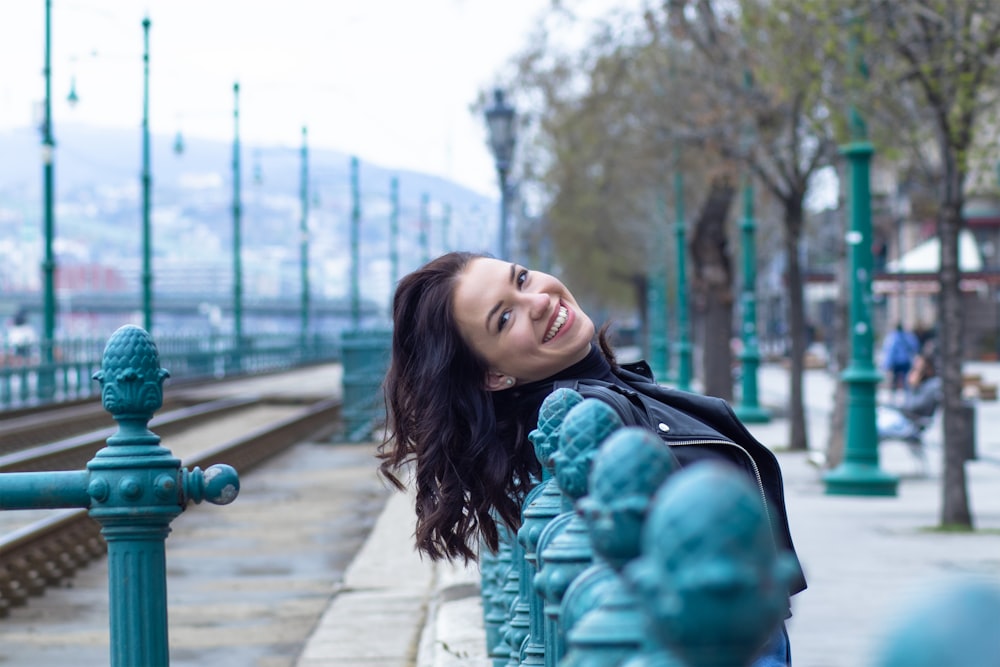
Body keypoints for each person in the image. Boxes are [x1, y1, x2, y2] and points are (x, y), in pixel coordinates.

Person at [377, 252, 805, 666]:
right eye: (504, 318)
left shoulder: (610, 392)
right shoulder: (586, 418)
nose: (539, 301)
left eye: (522, 279)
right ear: (493, 376)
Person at [877, 352, 941, 442]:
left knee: (876, 428)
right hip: (906, 419)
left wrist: (913, 387)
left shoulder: (933, 385)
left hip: (913, 424)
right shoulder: (921, 383)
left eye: (918, 367)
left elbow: (914, 407)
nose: (914, 370)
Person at [880, 323, 919, 397]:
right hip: (905, 361)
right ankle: (907, 394)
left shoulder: (892, 337)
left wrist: (887, 365)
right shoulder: (908, 336)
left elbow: (889, 351)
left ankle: (893, 394)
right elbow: (914, 347)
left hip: (896, 362)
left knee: (895, 379)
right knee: (906, 378)